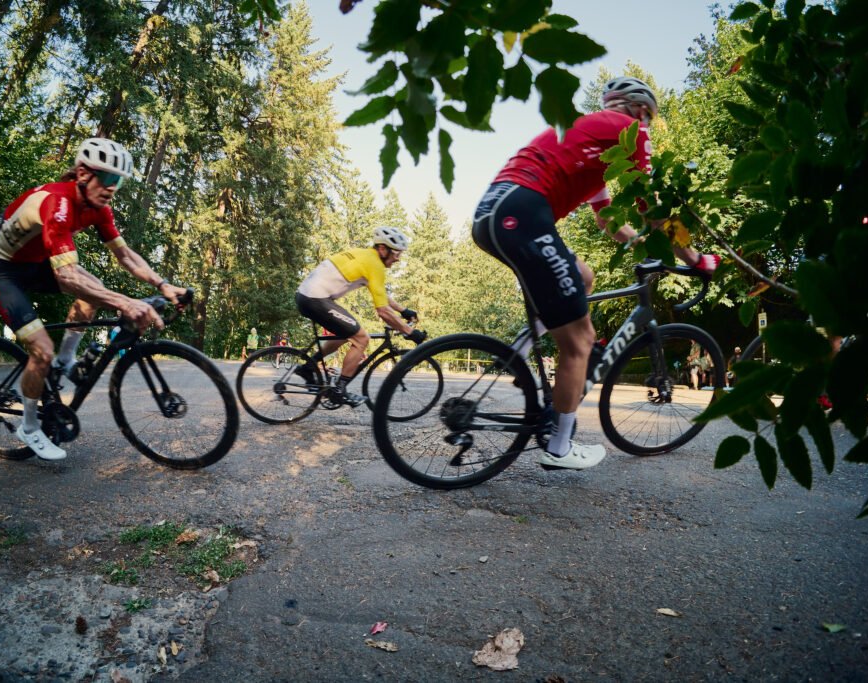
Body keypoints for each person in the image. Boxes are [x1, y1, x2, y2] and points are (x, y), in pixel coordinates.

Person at [472, 76, 720, 470]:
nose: (646, 126)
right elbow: (654, 208)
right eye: (648, 118)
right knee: (581, 340)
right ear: (641, 110)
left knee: (583, 277)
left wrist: (642, 245)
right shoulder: (631, 130)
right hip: (523, 214)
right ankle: (559, 447)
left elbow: (607, 220)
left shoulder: (590, 143)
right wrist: (696, 258)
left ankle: (520, 350)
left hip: (495, 213)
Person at [0, 137, 183, 461]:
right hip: (2, 269)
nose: (113, 187)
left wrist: (163, 285)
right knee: (41, 349)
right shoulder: (57, 203)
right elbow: (67, 276)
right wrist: (126, 303)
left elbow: (125, 256)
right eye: (109, 178)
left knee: (94, 289)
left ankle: (65, 360)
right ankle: (29, 427)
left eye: (118, 181)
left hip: (35, 263)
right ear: (84, 174)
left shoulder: (99, 209)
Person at [295, 226, 425, 406]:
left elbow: (380, 294)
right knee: (361, 338)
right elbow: (383, 311)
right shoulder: (374, 265)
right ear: (382, 249)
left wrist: (403, 311)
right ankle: (339, 390)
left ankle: (308, 368)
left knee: (345, 334)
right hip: (315, 299)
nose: (398, 258)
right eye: (396, 253)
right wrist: (409, 332)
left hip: (306, 296)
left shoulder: (365, 256)